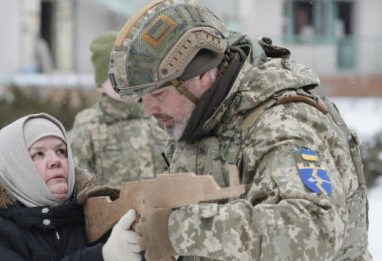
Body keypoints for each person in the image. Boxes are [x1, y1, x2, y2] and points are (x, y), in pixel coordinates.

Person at [108, 0, 371, 260]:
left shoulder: (281, 122)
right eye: (143, 98)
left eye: (159, 93)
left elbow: (316, 230)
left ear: (203, 75)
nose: (149, 110)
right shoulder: (200, 116)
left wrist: (177, 230)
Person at [0, 113, 142, 261]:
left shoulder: (98, 213)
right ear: (15, 167)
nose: (56, 161)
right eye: (38, 154)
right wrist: (103, 255)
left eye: (61, 151)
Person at [68, 31, 168, 186]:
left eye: (133, 73)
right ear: (101, 85)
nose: (128, 82)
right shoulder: (90, 126)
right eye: (117, 78)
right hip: (113, 209)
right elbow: (77, 183)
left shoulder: (159, 118)